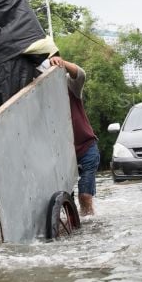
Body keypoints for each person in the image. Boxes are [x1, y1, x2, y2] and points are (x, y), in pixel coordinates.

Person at [49, 57, 99, 216]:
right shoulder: (38, 93)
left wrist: (61, 62)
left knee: (84, 196)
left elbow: (81, 74)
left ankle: (90, 224)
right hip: (61, 155)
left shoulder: (69, 85)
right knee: (64, 202)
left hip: (86, 148)